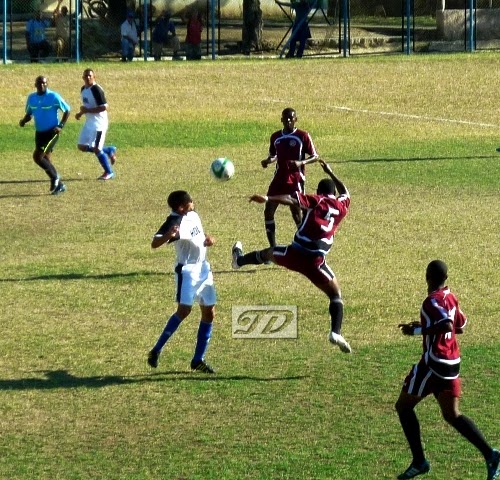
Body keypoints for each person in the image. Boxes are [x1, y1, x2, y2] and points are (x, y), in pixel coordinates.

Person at [232, 160, 352, 354]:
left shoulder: (317, 200)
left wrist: (267, 197)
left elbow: (291, 199)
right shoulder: (342, 206)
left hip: (295, 254)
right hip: (316, 263)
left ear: (320, 192)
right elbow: (345, 191)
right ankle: (335, 332)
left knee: (268, 254)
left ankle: (238, 261)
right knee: (335, 295)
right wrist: (330, 172)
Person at [395, 260, 500, 480]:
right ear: (446, 279)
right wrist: (423, 326)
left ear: (427, 277)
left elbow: (445, 325)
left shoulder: (430, 301)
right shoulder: (450, 297)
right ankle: (491, 455)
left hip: (434, 364)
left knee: (403, 407)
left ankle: (419, 461)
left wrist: (418, 332)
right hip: (452, 363)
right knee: (452, 415)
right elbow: (460, 325)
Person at [147, 190, 217, 374]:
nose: (192, 203)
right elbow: (154, 243)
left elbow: (199, 236)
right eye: (189, 202)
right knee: (184, 310)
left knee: (209, 312)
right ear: (181, 207)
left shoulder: (193, 215)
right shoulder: (174, 222)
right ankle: (156, 349)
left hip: (203, 269)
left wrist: (208, 240)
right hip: (187, 271)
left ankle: (198, 359)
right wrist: (168, 236)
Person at [260, 107, 319, 247]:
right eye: (285, 118)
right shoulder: (275, 137)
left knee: (296, 212)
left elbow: (315, 156)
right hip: (279, 178)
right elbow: (274, 155)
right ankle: (273, 247)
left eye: (291, 118)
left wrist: (301, 162)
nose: (288, 121)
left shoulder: (302, 136)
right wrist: (268, 161)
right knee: (268, 210)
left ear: (295, 120)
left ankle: (306, 245)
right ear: (281, 120)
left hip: (295, 179)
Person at [19, 75, 69, 195]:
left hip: (52, 132)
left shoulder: (53, 96)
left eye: (44, 83)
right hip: (39, 133)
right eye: (39, 83)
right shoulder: (31, 98)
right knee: (46, 159)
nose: (42, 85)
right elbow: (29, 113)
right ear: (35, 85)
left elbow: (67, 110)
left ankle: (54, 178)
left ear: (47, 84)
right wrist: (23, 121)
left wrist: (60, 125)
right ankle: (60, 185)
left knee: (37, 156)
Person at [75, 68, 117, 181]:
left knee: (97, 149)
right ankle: (108, 150)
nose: (88, 78)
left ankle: (109, 172)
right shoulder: (83, 89)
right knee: (82, 146)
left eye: (90, 76)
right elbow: (87, 106)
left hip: (99, 124)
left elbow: (104, 107)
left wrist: (87, 111)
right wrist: (80, 113)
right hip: (89, 123)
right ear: (83, 78)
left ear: (94, 77)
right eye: (86, 76)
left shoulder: (97, 89)